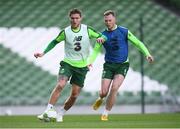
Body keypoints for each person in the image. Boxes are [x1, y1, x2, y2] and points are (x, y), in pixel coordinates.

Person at [34, 8, 106, 122]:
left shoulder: (87, 30)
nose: (74, 20)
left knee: (74, 95)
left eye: (77, 18)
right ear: (69, 19)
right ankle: (47, 111)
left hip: (82, 67)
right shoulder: (65, 32)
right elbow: (54, 42)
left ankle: (60, 114)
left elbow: (103, 37)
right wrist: (43, 53)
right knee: (60, 85)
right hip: (67, 64)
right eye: (72, 18)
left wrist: (100, 40)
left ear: (81, 18)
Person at [92, 10, 154, 121]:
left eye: (110, 20)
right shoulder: (102, 35)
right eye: (106, 21)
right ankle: (100, 98)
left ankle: (105, 113)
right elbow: (96, 51)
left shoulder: (124, 31)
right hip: (109, 65)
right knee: (103, 92)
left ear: (114, 19)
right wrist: (90, 61)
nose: (108, 22)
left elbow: (138, 43)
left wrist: (147, 54)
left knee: (114, 88)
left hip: (122, 65)